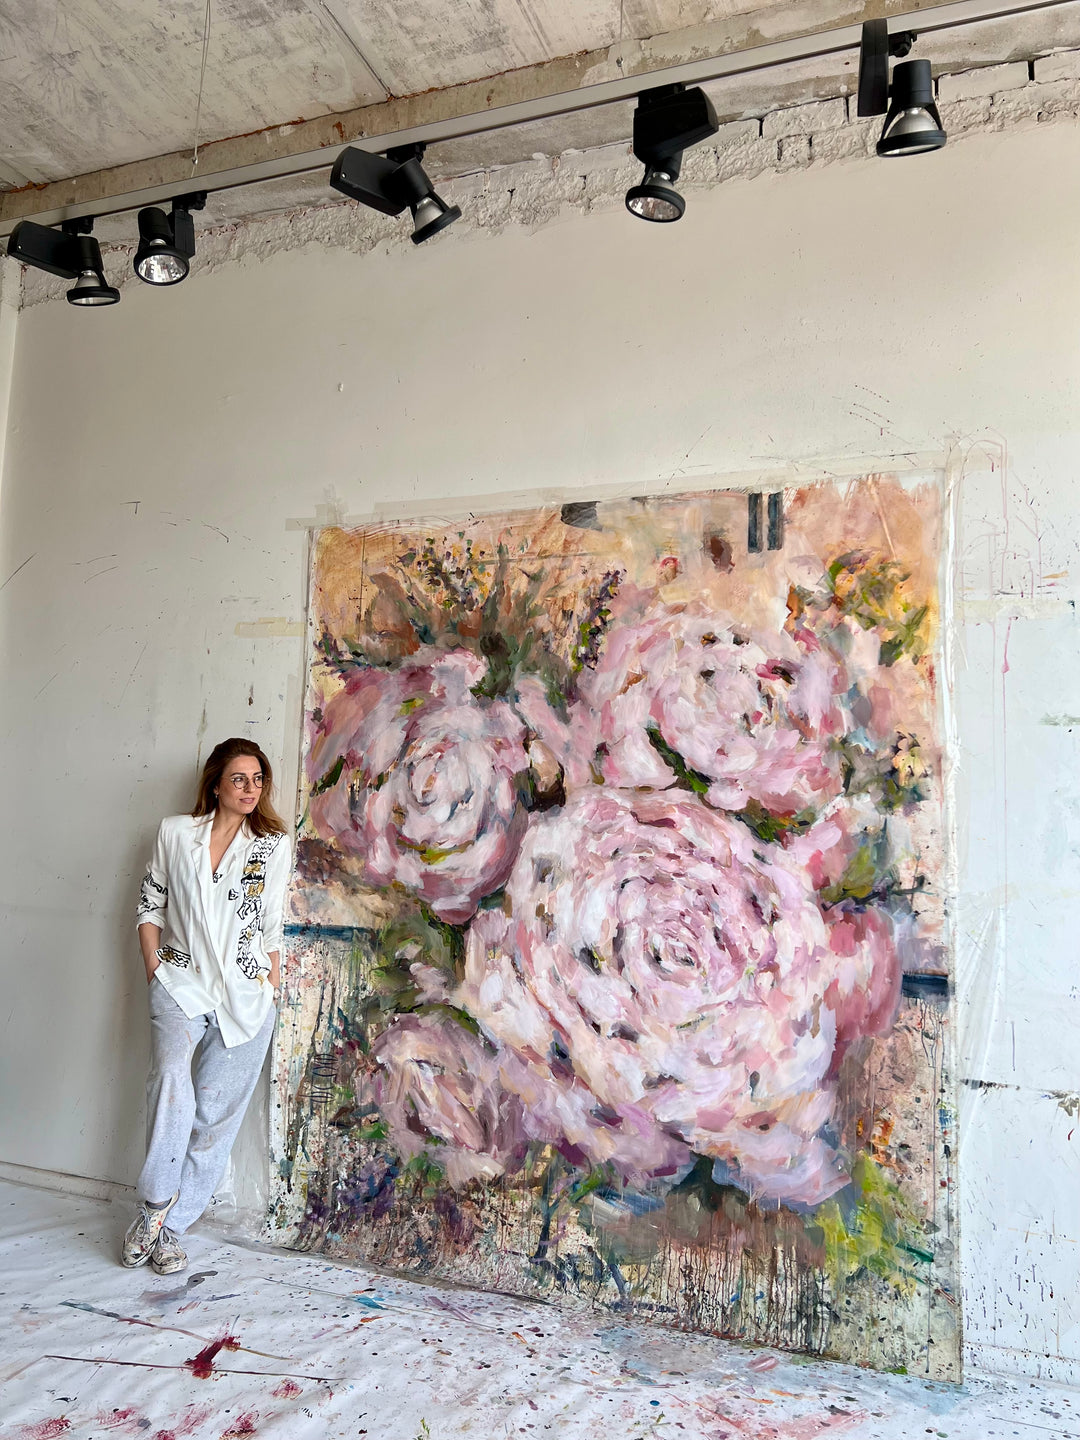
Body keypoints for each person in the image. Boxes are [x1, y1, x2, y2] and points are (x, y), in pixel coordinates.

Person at [122, 738, 292, 1276]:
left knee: (215, 1116)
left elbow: (270, 923)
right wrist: (155, 965)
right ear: (216, 782)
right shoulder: (176, 833)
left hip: (245, 995)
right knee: (171, 1080)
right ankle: (153, 1207)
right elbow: (151, 903)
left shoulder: (271, 844)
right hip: (180, 983)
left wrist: (269, 980)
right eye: (239, 778)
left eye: (258, 779)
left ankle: (173, 1230)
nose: (250, 789)